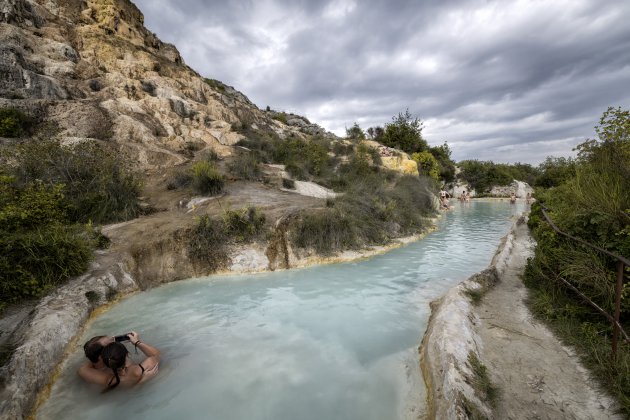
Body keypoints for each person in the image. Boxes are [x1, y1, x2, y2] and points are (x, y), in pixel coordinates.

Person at [78, 331, 160, 391]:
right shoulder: (125, 371)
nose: (114, 341)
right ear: (102, 356)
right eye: (111, 343)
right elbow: (157, 356)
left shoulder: (84, 370)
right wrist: (136, 342)